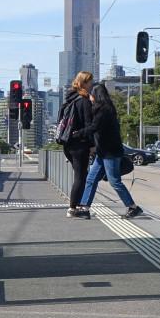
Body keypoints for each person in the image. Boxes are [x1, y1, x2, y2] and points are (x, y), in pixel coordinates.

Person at [80, 82, 142, 217]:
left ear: (96, 95)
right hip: (102, 152)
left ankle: (133, 207)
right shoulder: (101, 109)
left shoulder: (104, 110)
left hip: (111, 152)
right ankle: (85, 208)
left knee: (114, 181)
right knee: (91, 179)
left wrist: (78, 133)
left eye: (91, 94)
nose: (90, 97)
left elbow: (94, 127)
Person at [58, 72, 96, 217]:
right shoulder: (84, 100)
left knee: (81, 175)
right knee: (80, 177)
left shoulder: (69, 100)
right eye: (90, 82)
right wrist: (92, 144)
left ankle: (77, 206)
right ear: (84, 83)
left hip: (67, 143)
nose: (91, 84)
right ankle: (73, 208)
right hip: (80, 144)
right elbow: (88, 124)